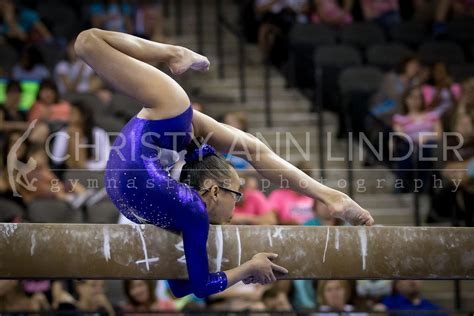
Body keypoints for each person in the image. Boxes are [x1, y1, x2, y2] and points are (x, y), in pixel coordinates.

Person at [74, 28, 374, 298]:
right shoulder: (190, 211)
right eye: (236, 194)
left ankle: (332, 197)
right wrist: (248, 268)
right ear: (213, 190)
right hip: (161, 125)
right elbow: (202, 287)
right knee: (87, 42)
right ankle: (172, 52)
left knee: (253, 149)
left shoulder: (180, 212)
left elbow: (181, 286)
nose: (238, 206)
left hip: (152, 145)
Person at [51, 101, 110, 170]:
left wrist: (87, 165)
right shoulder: (64, 132)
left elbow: (106, 161)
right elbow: (57, 159)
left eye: (73, 113)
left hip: (94, 172)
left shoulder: (98, 133)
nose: (69, 116)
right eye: (69, 113)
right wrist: (68, 138)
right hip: (71, 171)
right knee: (73, 138)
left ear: (84, 116)